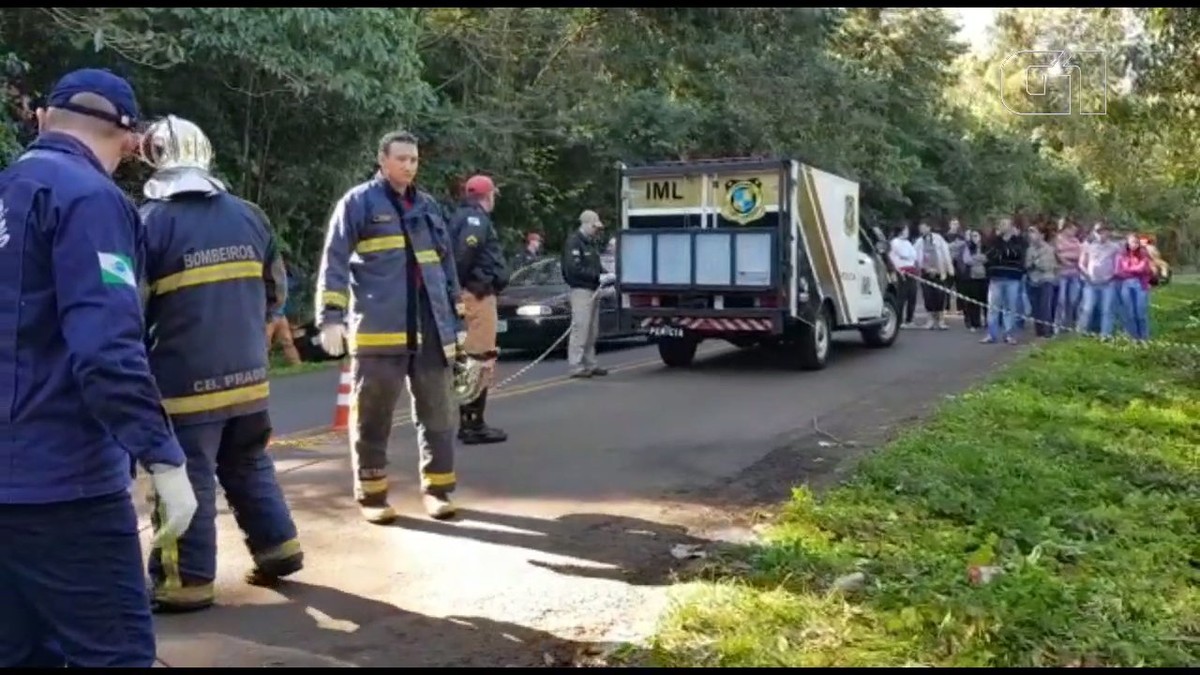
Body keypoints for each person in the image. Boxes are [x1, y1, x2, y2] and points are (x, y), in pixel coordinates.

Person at [0, 68, 197, 667]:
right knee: (112, 655)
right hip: (65, 488)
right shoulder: (89, 199)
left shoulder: (9, 188)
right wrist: (163, 456)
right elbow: (108, 351)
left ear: (42, 120)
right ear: (131, 139)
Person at [137, 115, 304, 613]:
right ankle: (279, 549)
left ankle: (183, 583)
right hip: (249, 380)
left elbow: (127, 308)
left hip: (183, 385)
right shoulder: (250, 216)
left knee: (184, 478)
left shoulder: (147, 223)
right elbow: (277, 290)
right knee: (248, 462)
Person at [315, 130, 463, 522]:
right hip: (379, 328)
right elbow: (334, 261)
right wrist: (331, 317)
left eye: (414, 160)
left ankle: (438, 490)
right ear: (382, 160)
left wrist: (456, 319)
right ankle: (373, 495)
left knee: (439, 413)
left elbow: (446, 266)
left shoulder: (428, 206)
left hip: (430, 327)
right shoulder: (359, 203)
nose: (409, 166)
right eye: (402, 159)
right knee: (372, 416)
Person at [448, 174, 510, 445]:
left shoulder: (462, 216)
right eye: (494, 194)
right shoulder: (474, 220)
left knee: (474, 358)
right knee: (477, 358)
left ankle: (472, 421)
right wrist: (463, 291)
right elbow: (463, 257)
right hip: (477, 294)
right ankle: (472, 424)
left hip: (476, 293)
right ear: (488, 195)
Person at [562, 209, 614, 378]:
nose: (596, 230)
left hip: (594, 289)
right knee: (580, 328)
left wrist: (607, 275)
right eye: (594, 226)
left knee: (592, 330)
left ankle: (590, 364)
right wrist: (597, 276)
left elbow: (595, 265)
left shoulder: (590, 243)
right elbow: (574, 269)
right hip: (581, 291)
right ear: (585, 224)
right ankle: (575, 365)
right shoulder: (574, 242)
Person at [981, 217, 1028, 345]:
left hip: (1013, 277)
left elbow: (1018, 255)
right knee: (993, 308)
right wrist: (1001, 253)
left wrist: (1004, 254)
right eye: (1001, 224)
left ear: (1011, 226)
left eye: (1006, 224)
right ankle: (991, 334)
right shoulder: (994, 241)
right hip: (996, 277)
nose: (1003, 226)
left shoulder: (1018, 241)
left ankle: (1009, 334)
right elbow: (989, 255)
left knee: (1010, 307)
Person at [1075, 223, 1120, 339]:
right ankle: (1081, 333)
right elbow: (1081, 263)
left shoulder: (1114, 247)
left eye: (1103, 232)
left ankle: (1106, 335)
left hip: (1108, 284)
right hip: (1091, 283)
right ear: (1094, 233)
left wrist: (1112, 275)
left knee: (1107, 310)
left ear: (1108, 233)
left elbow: (1118, 264)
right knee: (1087, 308)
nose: (1101, 235)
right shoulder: (1088, 246)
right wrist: (1087, 274)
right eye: (1098, 232)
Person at [913, 220, 954, 330]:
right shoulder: (919, 242)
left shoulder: (938, 239)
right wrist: (921, 269)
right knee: (928, 296)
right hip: (925, 272)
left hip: (939, 271)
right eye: (920, 228)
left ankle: (941, 320)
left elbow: (945, 253)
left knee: (940, 296)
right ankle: (930, 320)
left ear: (928, 227)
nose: (921, 230)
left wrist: (949, 268)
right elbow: (915, 257)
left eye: (923, 227)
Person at [1114, 233, 1153, 342]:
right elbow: (1118, 271)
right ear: (1127, 243)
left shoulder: (1144, 254)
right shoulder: (1121, 255)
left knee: (1141, 312)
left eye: (1136, 242)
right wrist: (1133, 271)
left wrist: (1128, 269)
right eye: (1132, 242)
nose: (1134, 244)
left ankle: (1144, 337)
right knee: (1129, 312)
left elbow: (1143, 269)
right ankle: (1132, 337)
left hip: (1141, 285)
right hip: (1126, 284)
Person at [1024, 225, 1057, 338]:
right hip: (1033, 280)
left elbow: (1048, 266)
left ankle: (1048, 331)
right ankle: (1039, 331)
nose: (1031, 235)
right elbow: (1027, 264)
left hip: (1046, 280)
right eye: (1030, 233)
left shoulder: (1049, 249)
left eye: (1034, 232)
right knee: (1035, 307)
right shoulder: (1029, 249)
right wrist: (1034, 263)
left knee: (1045, 306)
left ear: (1041, 235)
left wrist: (1035, 263)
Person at [266, 261, 301, 366]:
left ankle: (297, 366)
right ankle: (297, 366)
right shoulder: (278, 272)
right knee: (286, 342)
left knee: (266, 344)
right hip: (276, 313)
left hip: (272, 313)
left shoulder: (272, 272)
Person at [1052, 220, 1084, 333]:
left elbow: (1079, 255)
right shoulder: (1058, 239)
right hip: (1062, 274)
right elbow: (1056, 254)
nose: (1074, 232)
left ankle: (1068, 324)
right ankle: (1057, 324)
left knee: (1072, 300)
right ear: (1066, 229)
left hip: (1074, 274)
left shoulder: (1076, 241)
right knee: (1061, 300)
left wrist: (1068, 259)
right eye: (1072, 230)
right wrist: (1066, 260)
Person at [888, 224, 920, 328]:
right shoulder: (895, 242)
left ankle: (909, 319)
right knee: (902, 296)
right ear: (901, 231)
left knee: (912, 295)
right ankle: (899, 320)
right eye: (906, 230)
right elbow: (903, 254)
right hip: (901, 271)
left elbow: (914, 255)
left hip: (911, 270)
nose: (908, 232)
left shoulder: (908, 243)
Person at [958, 229, 989, 332]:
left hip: (984, 277)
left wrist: (976, 258)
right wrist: (979, 259)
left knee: (986, 300)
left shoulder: (986, 246)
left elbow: (987, 258)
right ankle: (975, 322)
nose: (974, 238)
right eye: (973, 236)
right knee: (973, 301)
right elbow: (967, 260)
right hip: (972, 277)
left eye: (976, 235)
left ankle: (988, 321)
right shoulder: (967, 247)